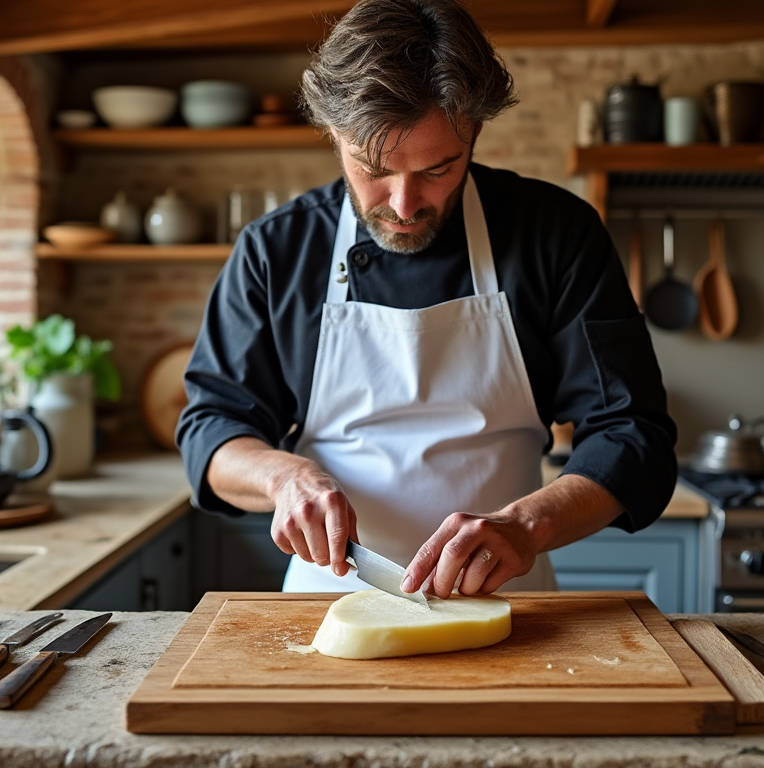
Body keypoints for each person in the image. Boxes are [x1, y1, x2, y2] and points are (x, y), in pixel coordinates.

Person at [176, 0, 677, 599]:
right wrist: (281, 476)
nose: (405, 204)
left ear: (476, 132)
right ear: (334, 135)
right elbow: (212, 429)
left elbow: (633, 434)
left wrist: (525, 525)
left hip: (507, 605)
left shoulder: (556, 235)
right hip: (325, 605)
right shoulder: (275, 250)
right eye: (374, 168)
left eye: (439, 169)